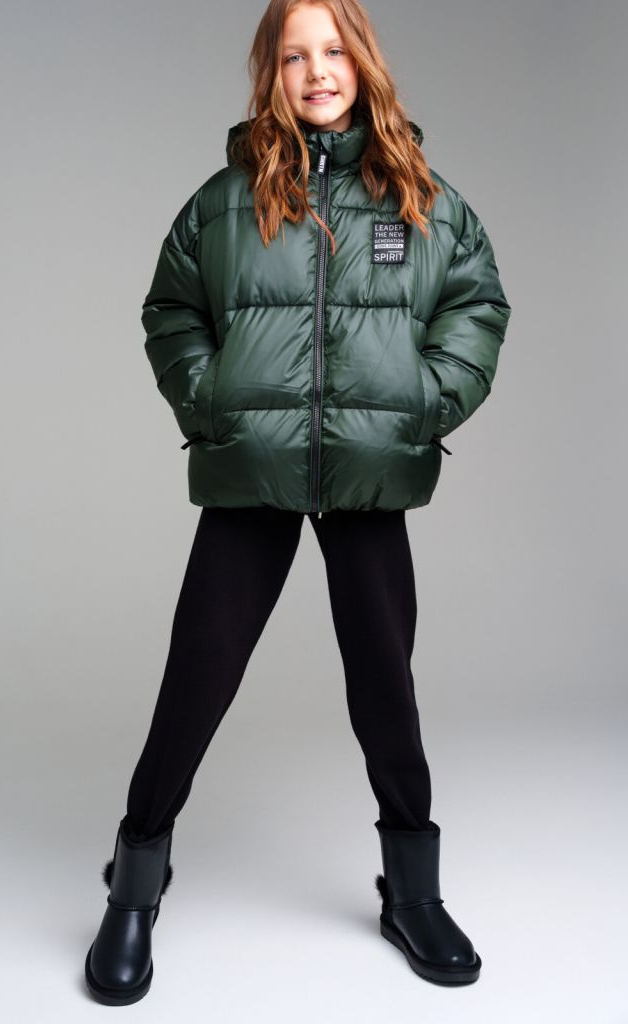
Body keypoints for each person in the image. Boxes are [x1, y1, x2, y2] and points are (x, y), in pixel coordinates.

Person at [85, 0, 511, 1004]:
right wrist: (211, 402)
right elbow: (171, 309)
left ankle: (412, 891)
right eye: (293, 56)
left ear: (363, 63)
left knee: (385, 684)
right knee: (198, 674)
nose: (317, 71)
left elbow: (477, 304)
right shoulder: (226, 201)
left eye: (333, 51)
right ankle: (135, 881)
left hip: (369, 470)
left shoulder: (421, 198)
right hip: (255, 469)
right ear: (270, 73)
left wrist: (424, 403)